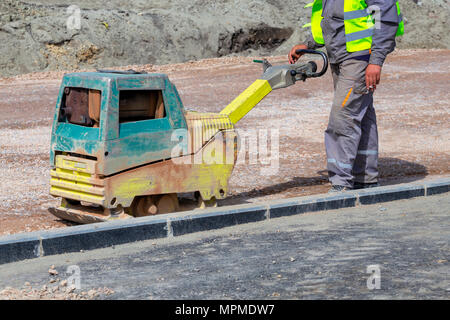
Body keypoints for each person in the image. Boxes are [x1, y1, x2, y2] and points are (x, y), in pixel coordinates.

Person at [289, 0, 404, 191]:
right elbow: (332, 19)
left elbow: (384, 17)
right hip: (341, 56)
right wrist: (309, 44)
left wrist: (376, 61)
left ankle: (341, 182)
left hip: (360, 58)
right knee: (361, 115)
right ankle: (365, 177)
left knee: (343, 116)